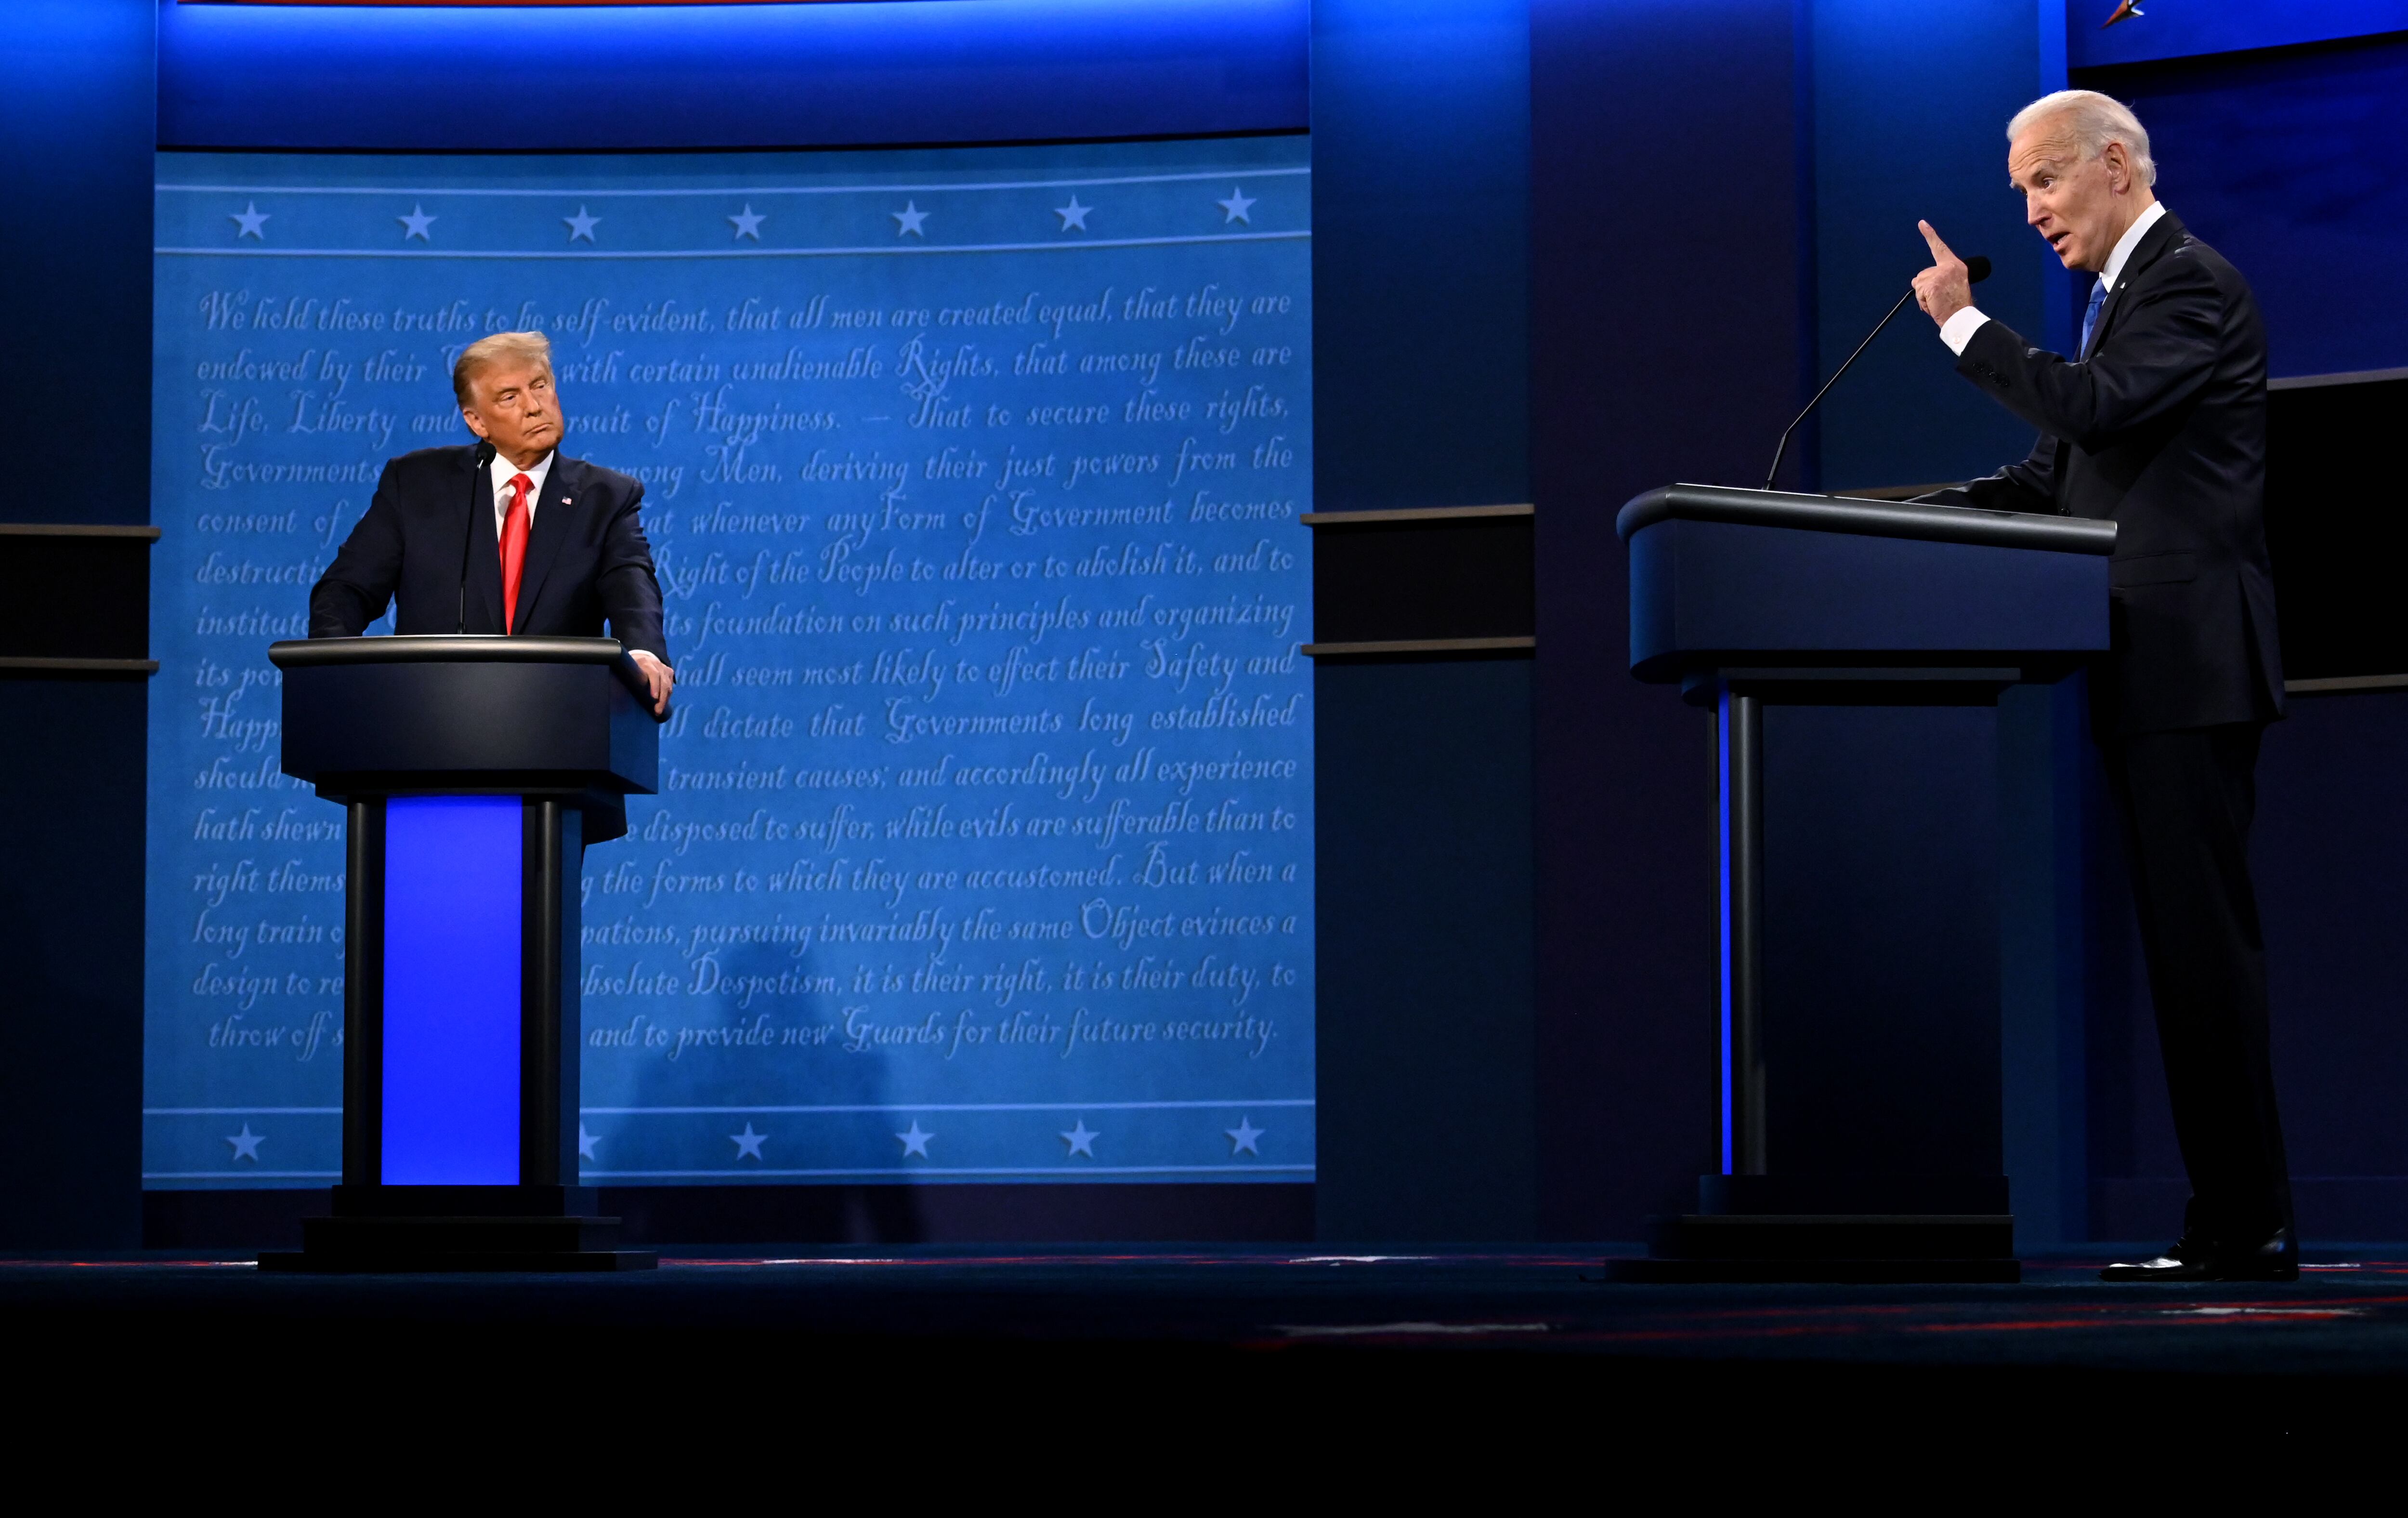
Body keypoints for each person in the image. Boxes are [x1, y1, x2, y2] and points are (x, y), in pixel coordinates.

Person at [1911, 90, 2294, 1282]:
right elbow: (2052, 473)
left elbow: (2097, 408)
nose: (2027, 211)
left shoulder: (2188, 282)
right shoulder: (2119, 297)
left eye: (2043, 182)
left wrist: (1966, 328)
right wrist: (1876, 519)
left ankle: (2247, 1224)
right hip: (2144, 673)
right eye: (2024, 188)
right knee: (2182, 958)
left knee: (2202, 956)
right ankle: (2230, 1221)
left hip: (2190, 665)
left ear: (2115, 164)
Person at [308, 330, 675, 715]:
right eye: (510, 397)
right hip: (427, 722)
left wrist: (643, 654)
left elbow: (632, 587)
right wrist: (333, 675)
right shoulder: (417, 484)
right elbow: (345, 590)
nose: (534, 406)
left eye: (540, 386)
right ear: (477, 422)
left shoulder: (606, 498)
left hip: (558, 725)